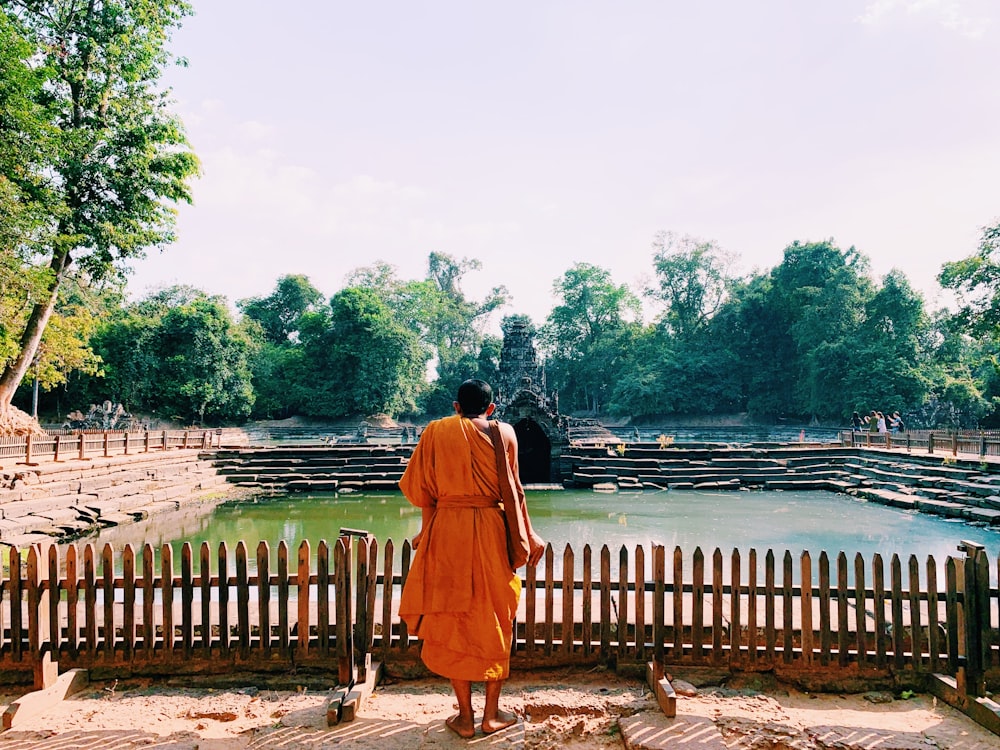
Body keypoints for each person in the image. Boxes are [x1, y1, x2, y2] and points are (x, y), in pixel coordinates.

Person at [397, 379, 545, 738]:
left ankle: (464, 717)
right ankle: (491, 715)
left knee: (454, 618)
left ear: (455, 406)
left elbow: (425, 492)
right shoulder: (505, 432)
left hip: (448, 531)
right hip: (492, 530)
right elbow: (514, 491)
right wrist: (527, 533)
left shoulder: (436, 431)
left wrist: (427, 530)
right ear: (491, 408)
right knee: (496, 616)